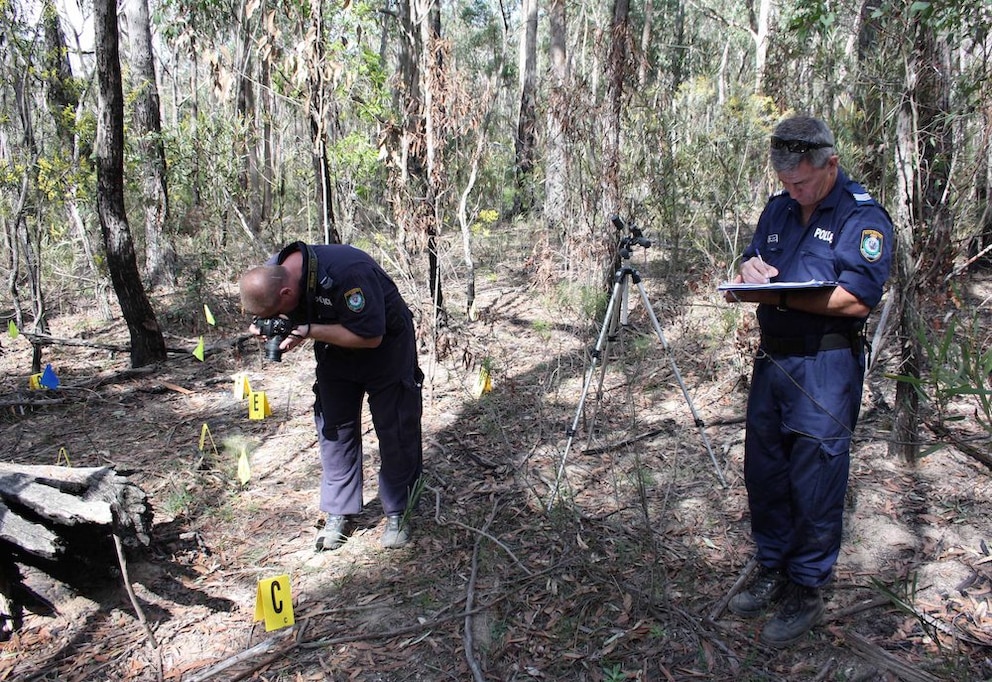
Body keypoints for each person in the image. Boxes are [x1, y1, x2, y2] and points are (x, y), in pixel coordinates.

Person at [723, 116, 893, 646]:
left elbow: (858, 298)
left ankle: (807, 585)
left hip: (825, 364)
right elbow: (753, 263)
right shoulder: (778, 209)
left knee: (815, 477)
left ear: (830, 165)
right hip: (773, 360)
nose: (791, 191)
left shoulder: (861, 217)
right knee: (766, 470)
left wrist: (776, 296)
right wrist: (747, 271)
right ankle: (772, 564)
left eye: (800, 183)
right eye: (785, 183)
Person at [239, 241, 423, 551]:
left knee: (395, 427)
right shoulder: (273, 272)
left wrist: (307, 330)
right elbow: (268, 308)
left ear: (287, 293)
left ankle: (398, 511)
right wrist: (264, 325)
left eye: (282, 309)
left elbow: (370, 336)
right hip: (334, 351)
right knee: (334, 428)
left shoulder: (349, 273)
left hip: (385, 345)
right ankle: (340, 512)